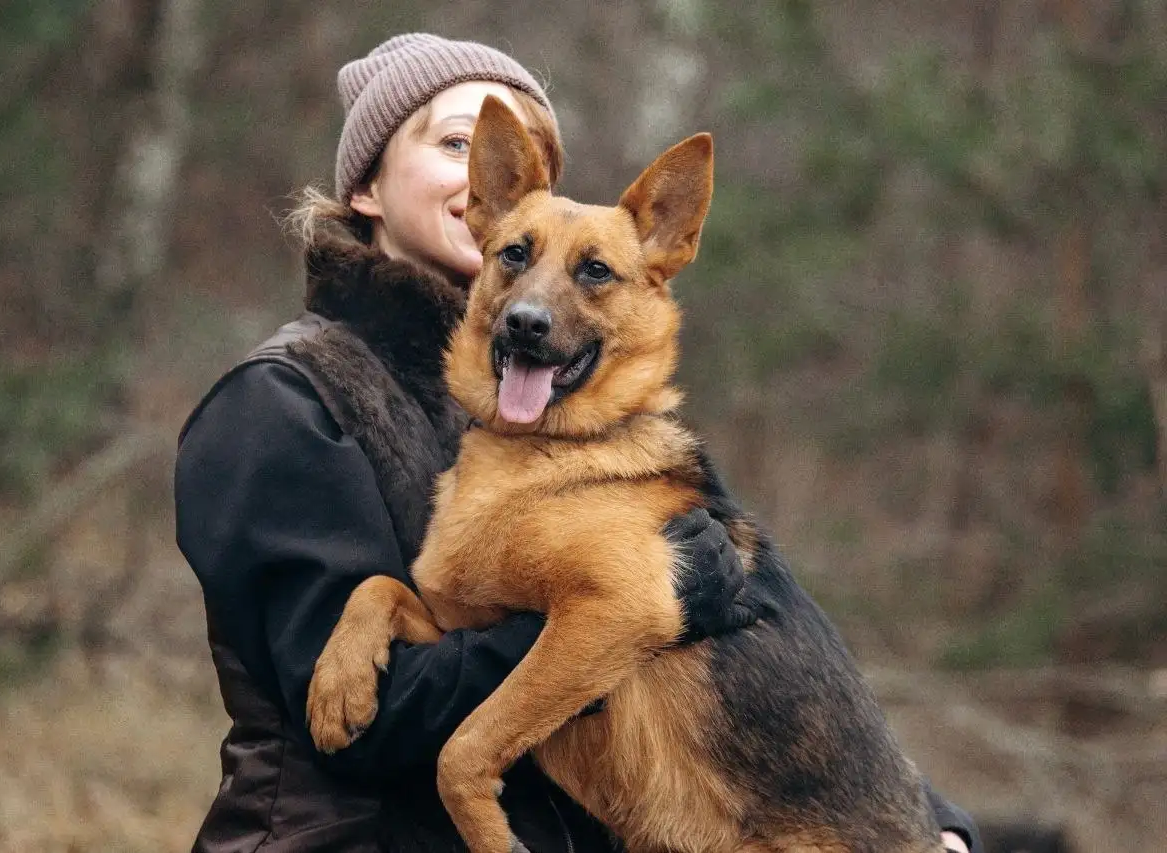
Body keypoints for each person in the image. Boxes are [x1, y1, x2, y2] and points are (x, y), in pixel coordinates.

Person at [174, 33, 982, 853]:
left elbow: (788, 669)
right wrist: (598, 620)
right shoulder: (282, 400)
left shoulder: (574, 413)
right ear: (368, 186)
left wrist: (934, 828)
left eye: (529, 163)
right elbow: (361, 724)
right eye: (460, 144)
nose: (534, 293)